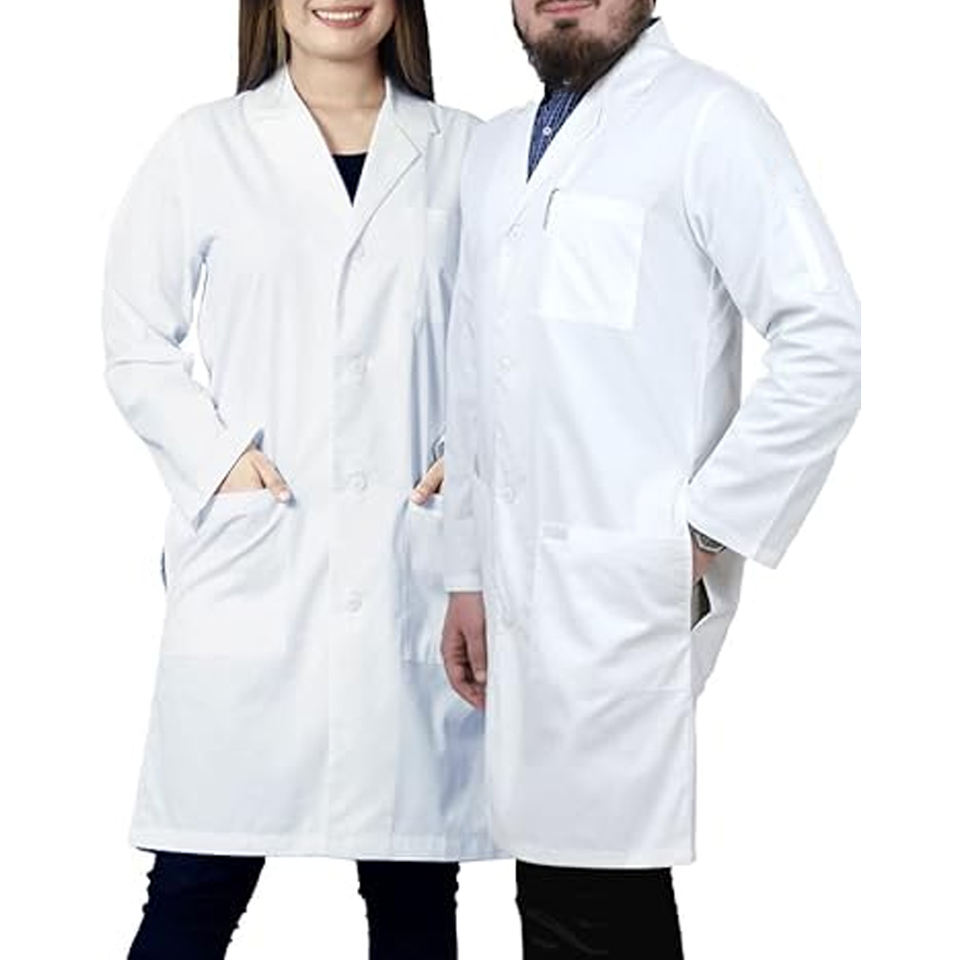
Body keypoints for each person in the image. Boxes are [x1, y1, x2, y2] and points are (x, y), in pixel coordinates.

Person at [441, 2, 861, 957]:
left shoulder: (711, 120)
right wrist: (465, 572)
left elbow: (823, 342)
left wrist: (707, 528)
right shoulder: (495, 152)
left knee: (592, 895)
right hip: (515, 584)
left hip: (622, 581)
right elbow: (473, 379)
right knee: (558, 885)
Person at [102, 2, 496, 957]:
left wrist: (475, 453)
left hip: (412, 566)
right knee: (194, 887)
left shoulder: (468, 152)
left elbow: (517, 335)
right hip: (258, 564)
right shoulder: (204, 146)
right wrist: (219, 464)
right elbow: (134, 339)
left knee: (414, 896)